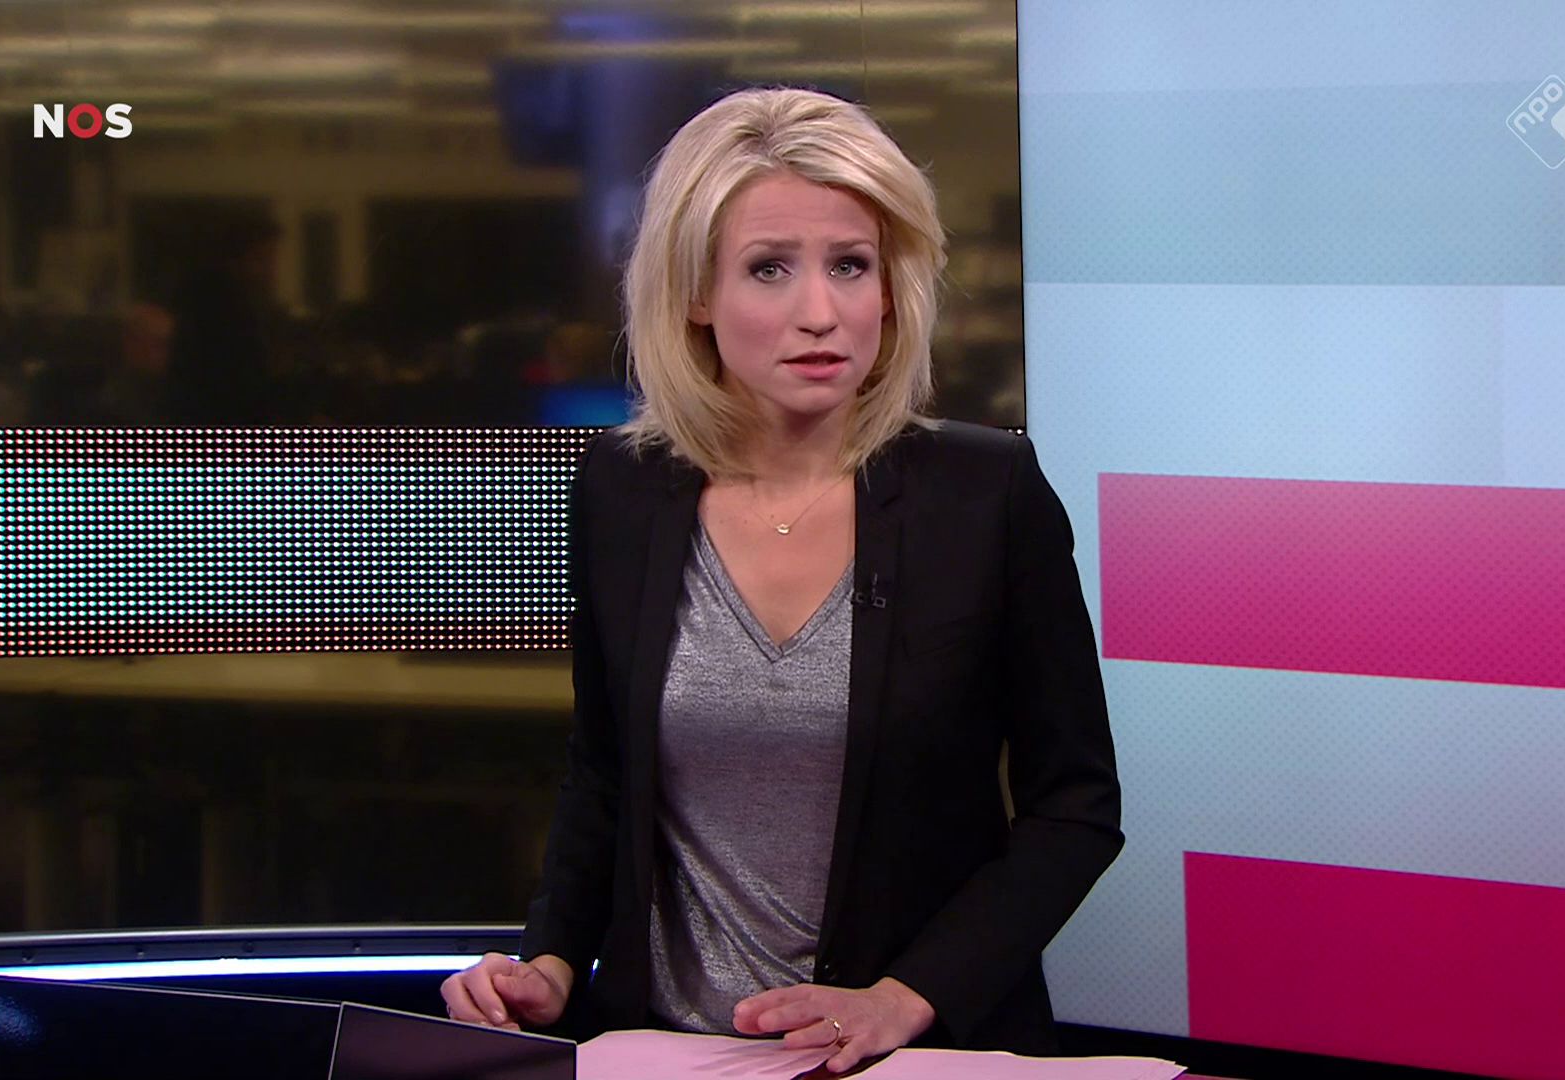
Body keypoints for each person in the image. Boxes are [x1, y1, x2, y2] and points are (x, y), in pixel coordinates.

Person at [440, 87, 1121, 1074]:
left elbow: (1074, 810)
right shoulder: (624, 487)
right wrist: (549, 958)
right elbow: (605, 772)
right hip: (664, 1051)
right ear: (695, 293)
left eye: (850, 265)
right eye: (769, 268)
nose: (820, 314)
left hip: (911, 1057)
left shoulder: (987, 493)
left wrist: (901, 1002)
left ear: (891, 287)